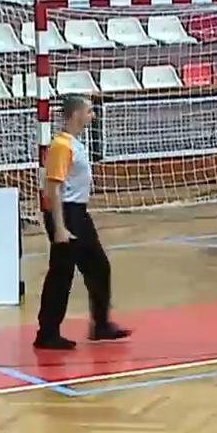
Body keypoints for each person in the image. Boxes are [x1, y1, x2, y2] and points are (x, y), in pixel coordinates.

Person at [34, 94, 130, 350]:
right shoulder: (61, 146)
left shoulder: (76, 144)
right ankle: (47, 332)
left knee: (98, 267)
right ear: (76, 114)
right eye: (89, 111)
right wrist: (60, 227)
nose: (93, 115)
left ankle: (101, 325)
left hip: (78, 213)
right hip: (65, 214)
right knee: (61, 274)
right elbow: (52, 189)